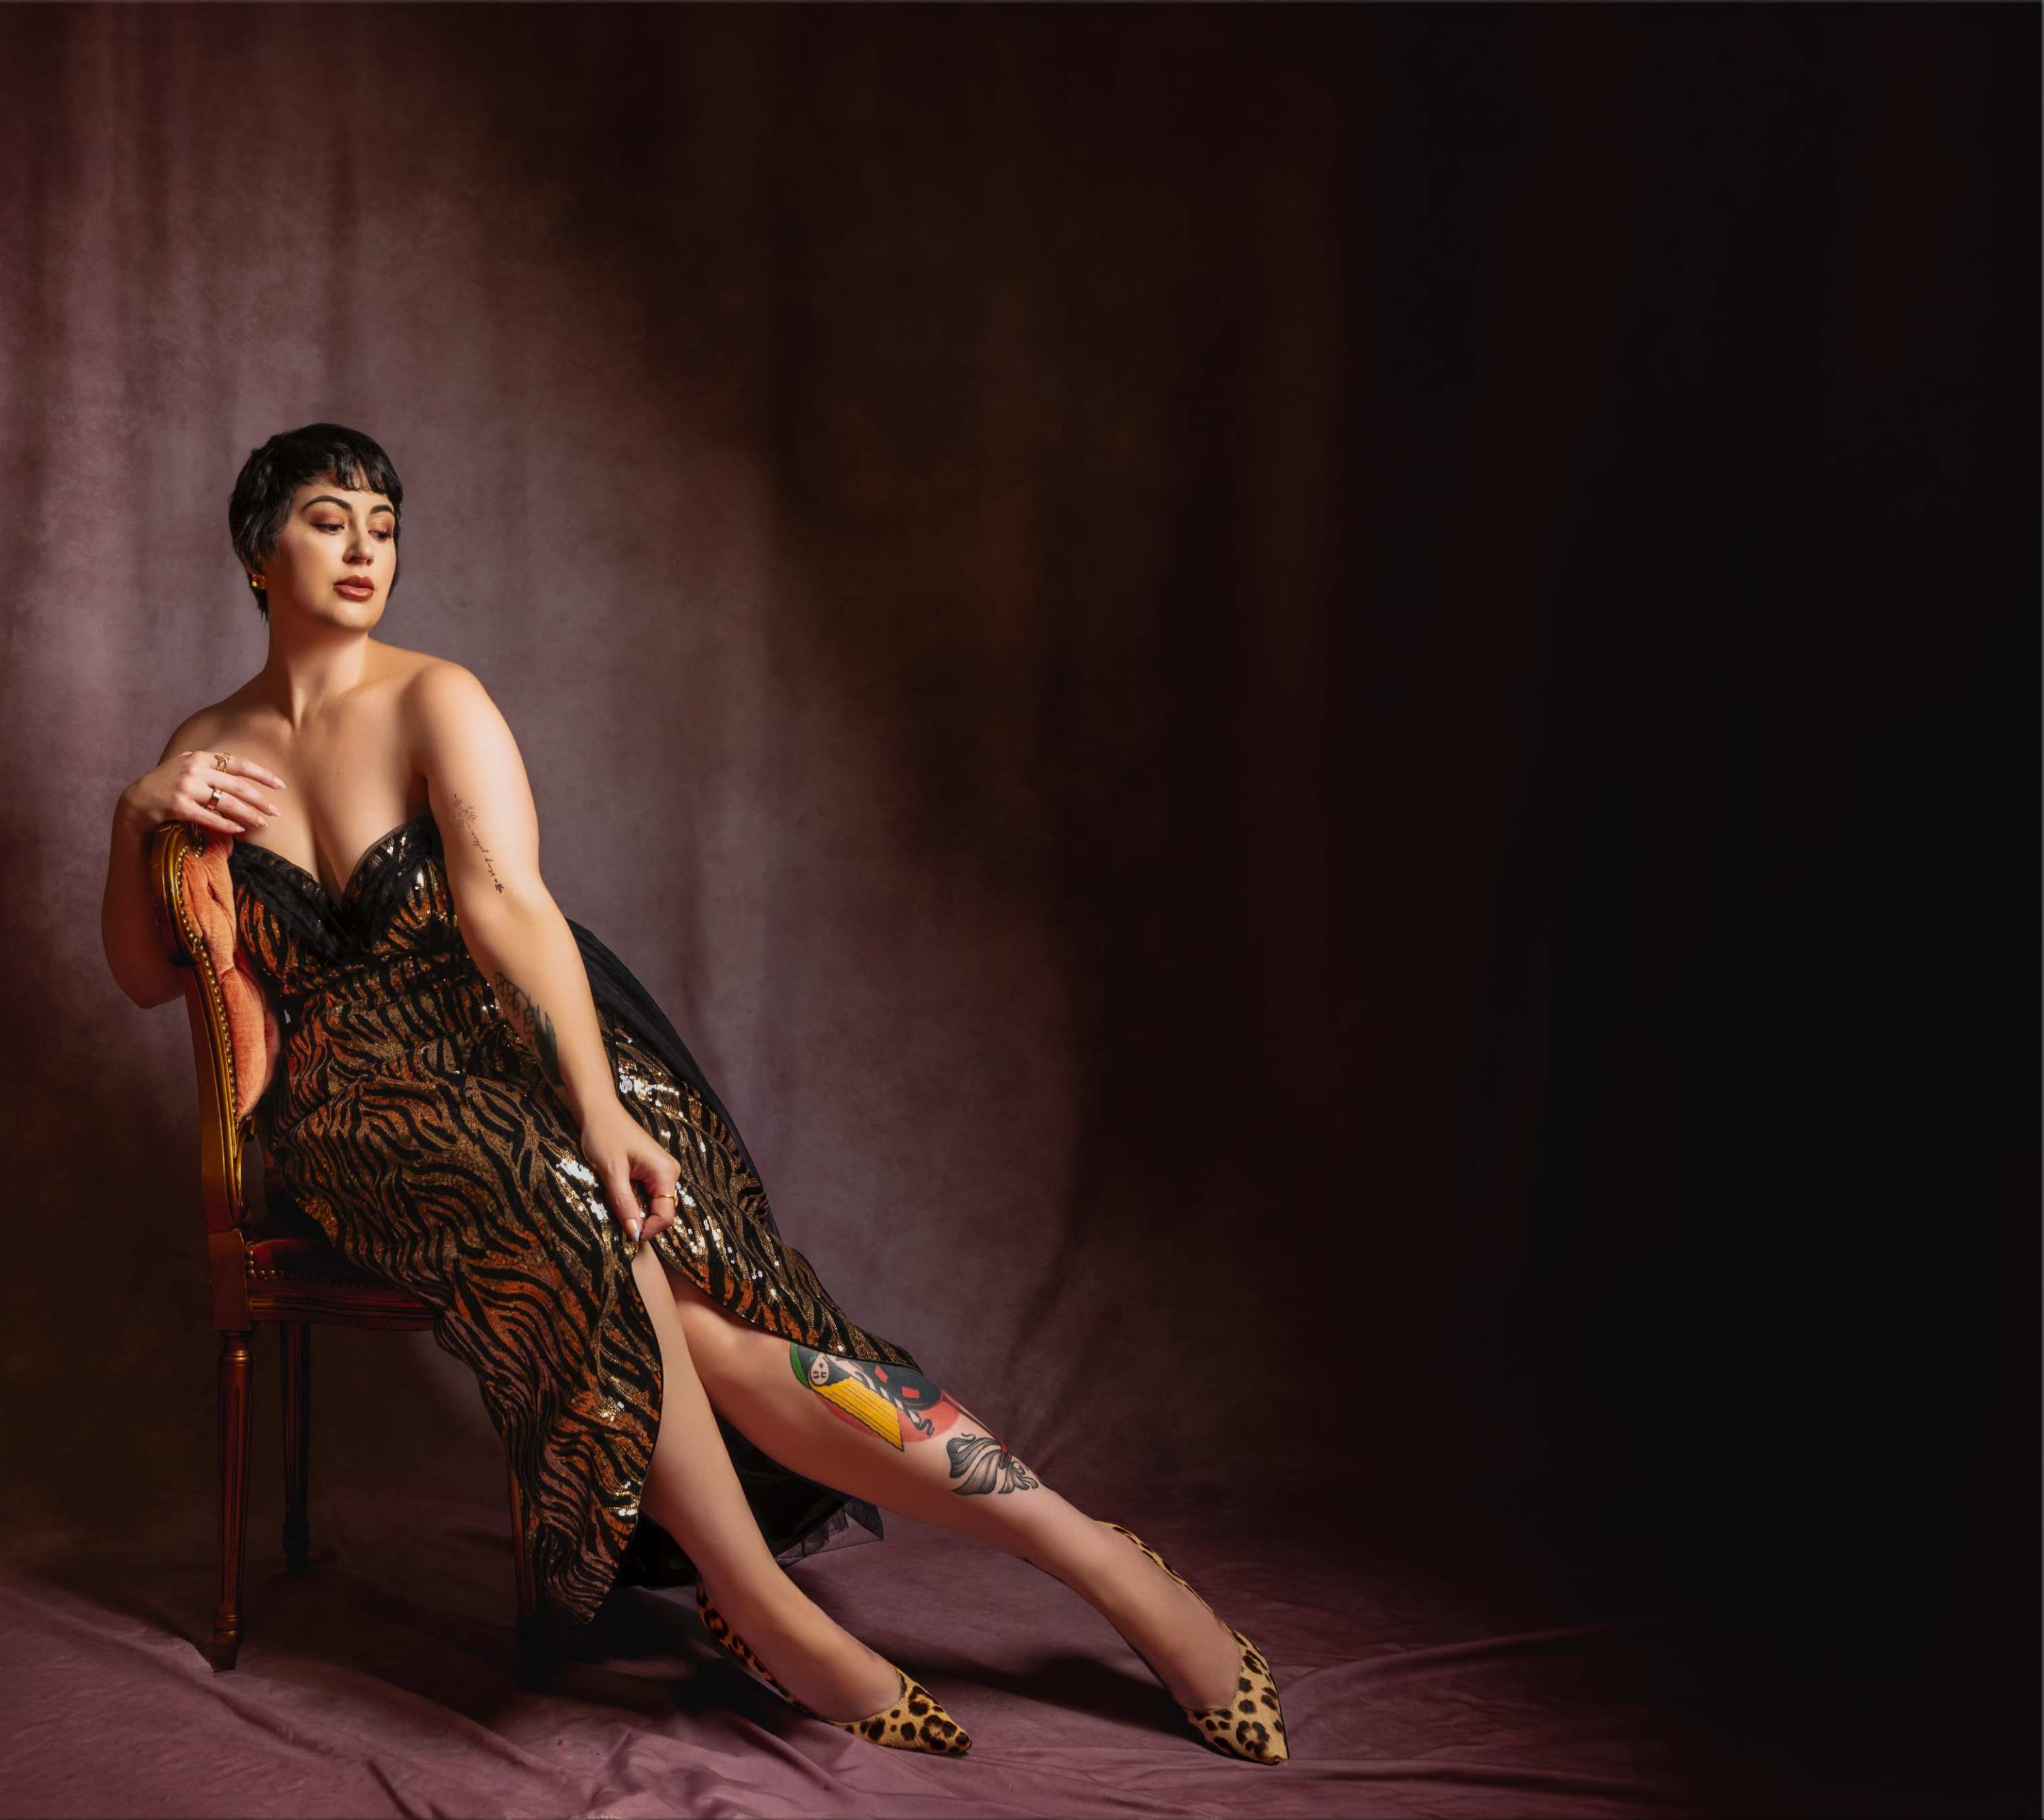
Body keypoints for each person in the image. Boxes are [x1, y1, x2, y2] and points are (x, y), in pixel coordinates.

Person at [98, 423, 1288, 1764]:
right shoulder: (203, 746)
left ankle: (1092, 1557)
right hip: (354, 1106)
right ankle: (770, 1597)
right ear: (259, 551)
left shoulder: (437, 697)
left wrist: (599, 1103)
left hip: (521, 1043)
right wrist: (138, 812)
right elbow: (148, 976)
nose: (367, 546)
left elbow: (510, 907)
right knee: (585, 1221)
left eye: (385, 522)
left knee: (714, 1315)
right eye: (330, 519)